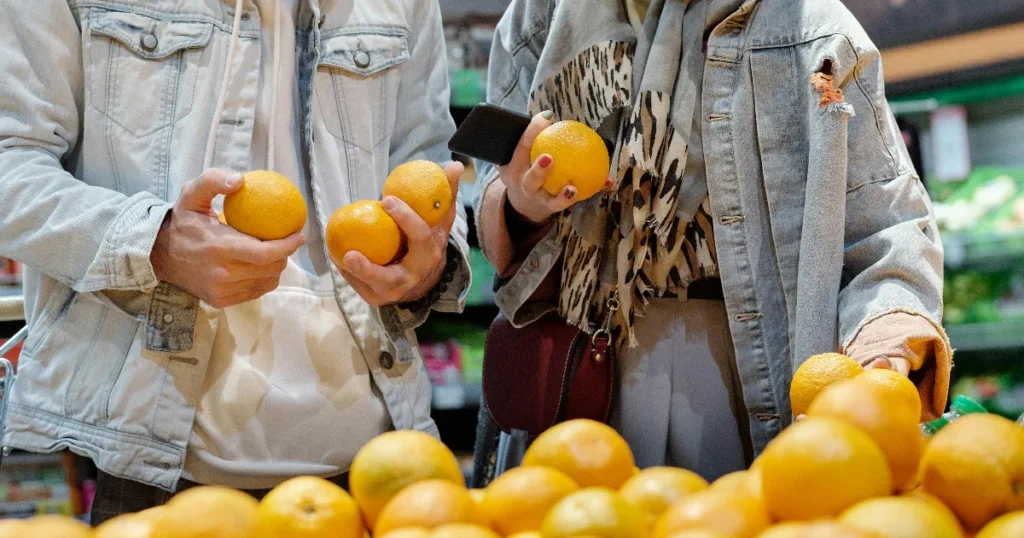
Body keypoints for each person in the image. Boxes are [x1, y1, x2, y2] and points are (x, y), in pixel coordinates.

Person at [0, 0, 469, 523]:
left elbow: (428, 162)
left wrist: (428, 260)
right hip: (155, 469)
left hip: (377, 466)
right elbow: (10, 160)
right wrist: (156, 242)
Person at [473, 0, 950, 481]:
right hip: (585, 367)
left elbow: (887, 223)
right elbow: (494, 199)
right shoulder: (539, 19)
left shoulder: (812, 29)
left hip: (752, 361)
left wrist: (882, 346)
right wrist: (522, 206)